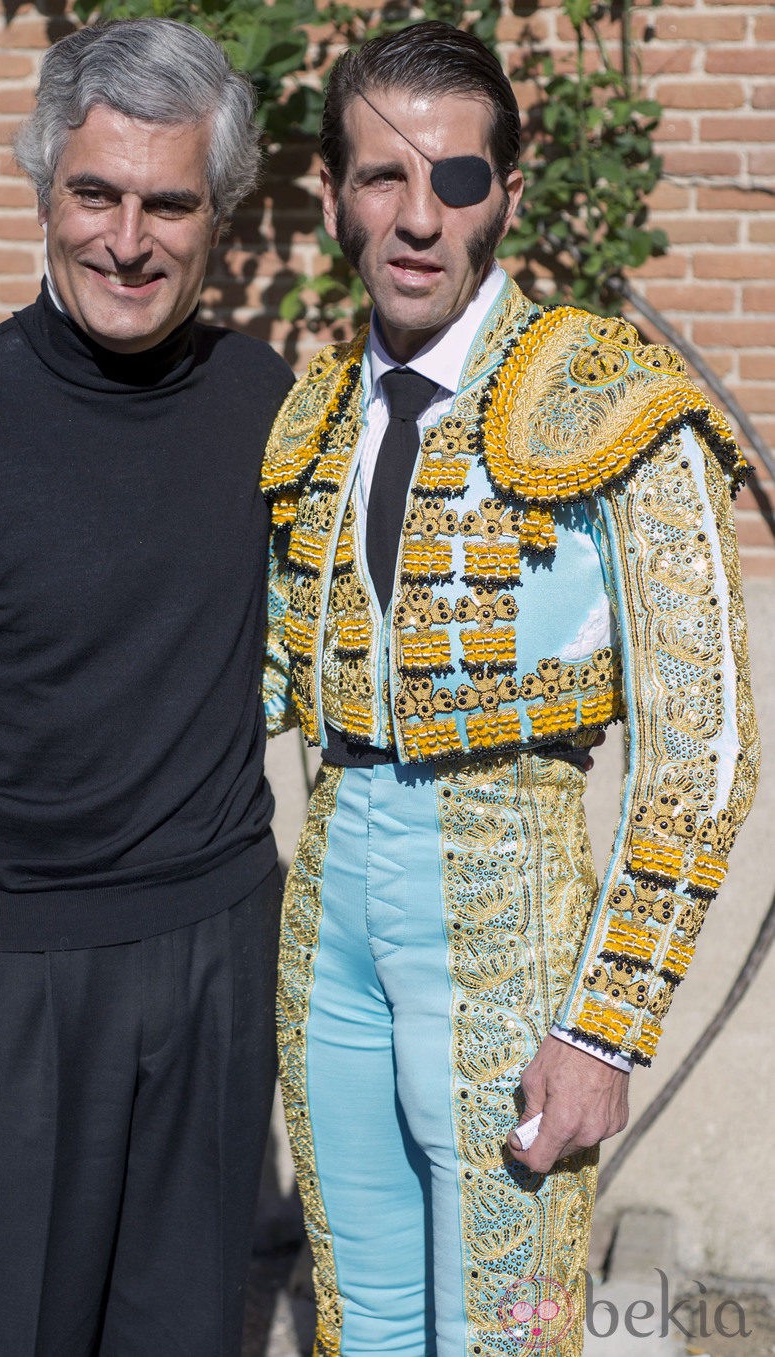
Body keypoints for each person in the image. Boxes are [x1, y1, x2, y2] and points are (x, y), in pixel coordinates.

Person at [262, 21, 759, 1356]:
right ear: (334, 198)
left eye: (459, 181)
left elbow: (700, 751)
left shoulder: (611, 396)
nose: (421, 218)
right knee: (357, 1322)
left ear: (508, 197)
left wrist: (605, 1026)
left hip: (513, 927)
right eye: (383, 177)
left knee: (503, 1332)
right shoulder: (310, 413)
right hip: (327, 935)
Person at [0, 19, 295, 1356]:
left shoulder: (269, 404)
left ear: (217, 218)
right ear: (46, 185)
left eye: (168, 202)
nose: (127, 239)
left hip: (213, 954)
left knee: (187, 1332)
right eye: (96, 192)